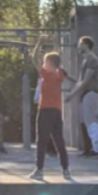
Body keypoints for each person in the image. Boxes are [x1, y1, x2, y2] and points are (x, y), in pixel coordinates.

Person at [30, 46, 72, 181]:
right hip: (57, 111)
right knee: (59, 140)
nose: (43, 64)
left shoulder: (47, 75)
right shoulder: (60, 75)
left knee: (42, 140)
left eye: (45, 62)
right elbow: (61, 68)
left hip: (45, 110)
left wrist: (37, 46)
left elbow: (33, 59)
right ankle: (66, 170)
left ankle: (39, 169)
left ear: (49, 64)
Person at [66, 36, 98, 157]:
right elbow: (80, 81)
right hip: (84, 93)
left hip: (91, 93)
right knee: (84, 121)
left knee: (91, 122)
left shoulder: (92, 59)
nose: (78, 46)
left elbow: (86, 80)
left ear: (86, 45)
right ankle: (88, 149)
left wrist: (71, 94)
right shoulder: (85, 60)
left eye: (80, 44)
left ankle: (97, 149)